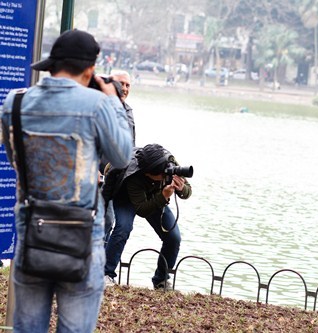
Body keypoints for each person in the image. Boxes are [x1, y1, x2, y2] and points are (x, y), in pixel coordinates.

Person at [0, 29, 133, 333]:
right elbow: (123, 156)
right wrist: (114, 102)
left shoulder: (15, 103)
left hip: (33, 233)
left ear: (51, 65)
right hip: (81, 238)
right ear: (90, 70)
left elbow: (16, 161)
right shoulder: (98, 106)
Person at [103, 143, 192, 289]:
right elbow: (142, 210)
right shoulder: (134, 175)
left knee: (173, 237)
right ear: (147, 173)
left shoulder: (169, 163)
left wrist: (182, 189)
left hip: (155, 196)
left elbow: (188, 191)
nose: (165, 176)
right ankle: (106, 274)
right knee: (123, 228)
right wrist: (163, 196)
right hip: (125, 196)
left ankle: (161, 280)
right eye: (160, 175)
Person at [103, 70, 136, 243]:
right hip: (101, 179)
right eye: (120, 83)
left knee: (119, 224)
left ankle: (104, 266)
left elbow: (131, 144)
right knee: (106, 221)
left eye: (127, 85)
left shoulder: (128, 111)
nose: (124, 88)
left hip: (121, 178)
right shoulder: (100, 107)